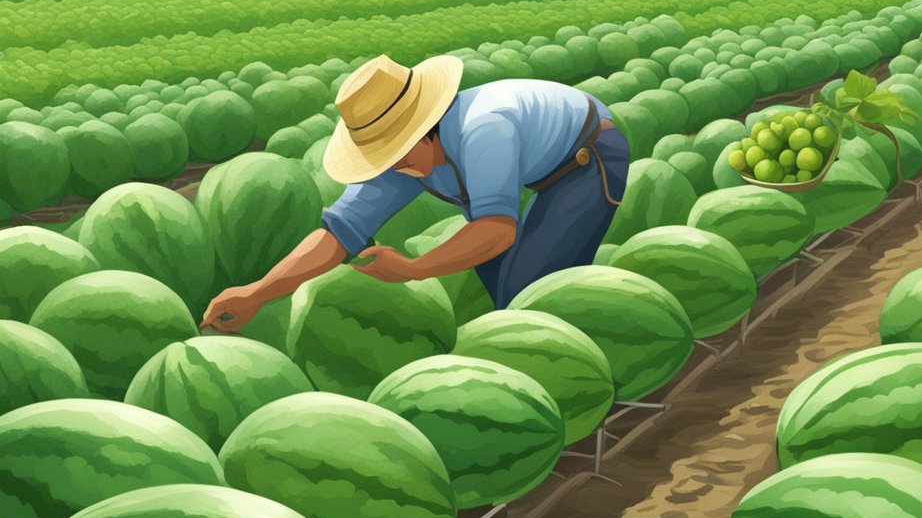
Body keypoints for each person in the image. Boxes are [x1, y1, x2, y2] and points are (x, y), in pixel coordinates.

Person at [200, 53, 629, 333]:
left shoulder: (485, 130)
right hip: (535, 165)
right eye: (384, 157)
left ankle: (596, 355)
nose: (395, 168)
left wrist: (414, 268)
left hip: (587, 156)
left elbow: (497, 230)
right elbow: (336, 238)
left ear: (427, 127)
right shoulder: (401, 161)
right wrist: (256, 292)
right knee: (501, 283)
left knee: (527, 294)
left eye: (399, 152)